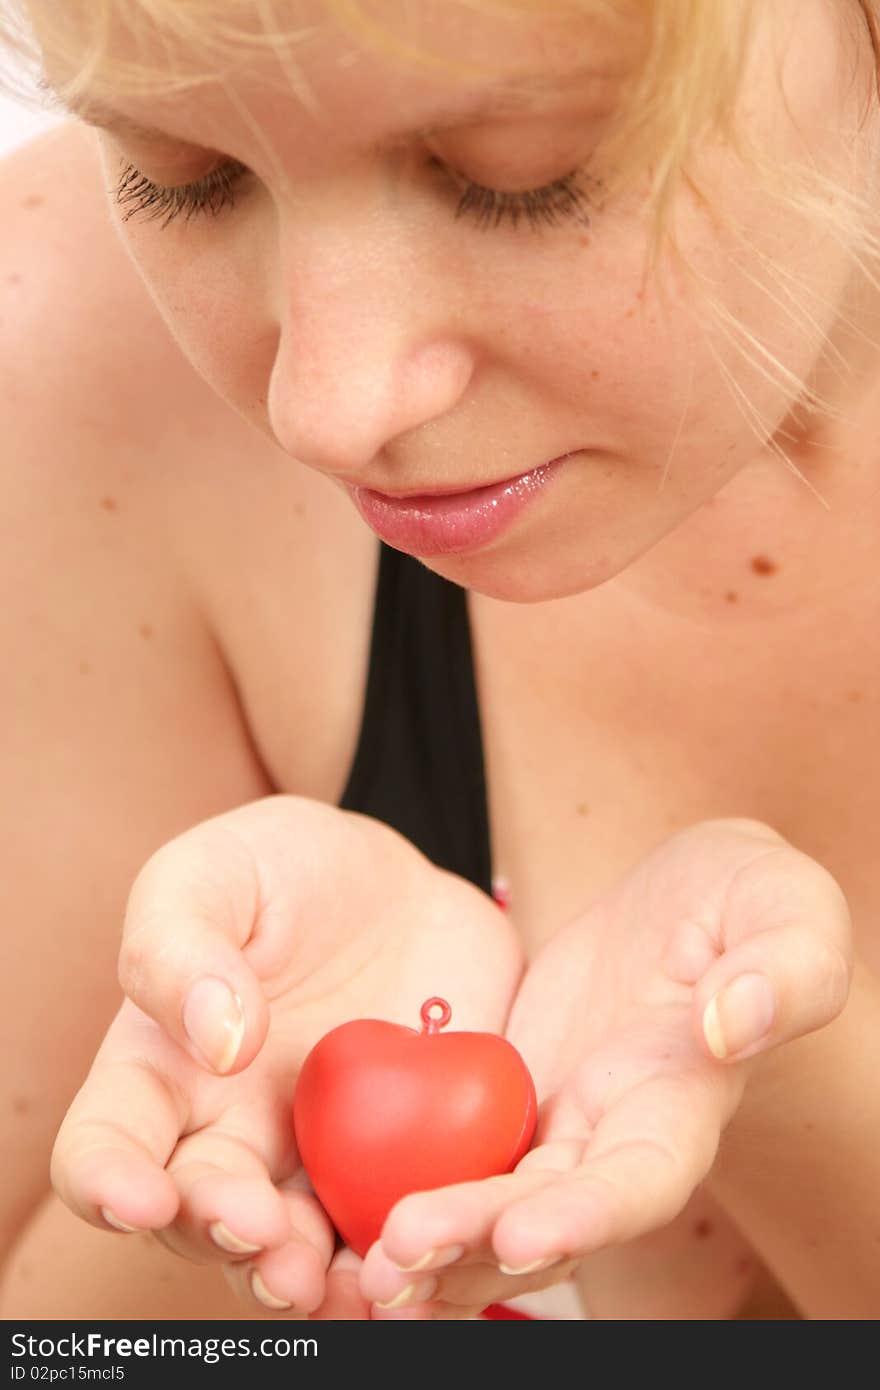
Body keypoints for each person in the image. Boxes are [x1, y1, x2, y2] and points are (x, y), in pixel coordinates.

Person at [1, 0, 879, 1321]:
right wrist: (254, 1187)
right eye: (186, 176)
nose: (326, 404)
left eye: (515, 176)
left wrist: (767, 1066)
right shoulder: (80, 344)